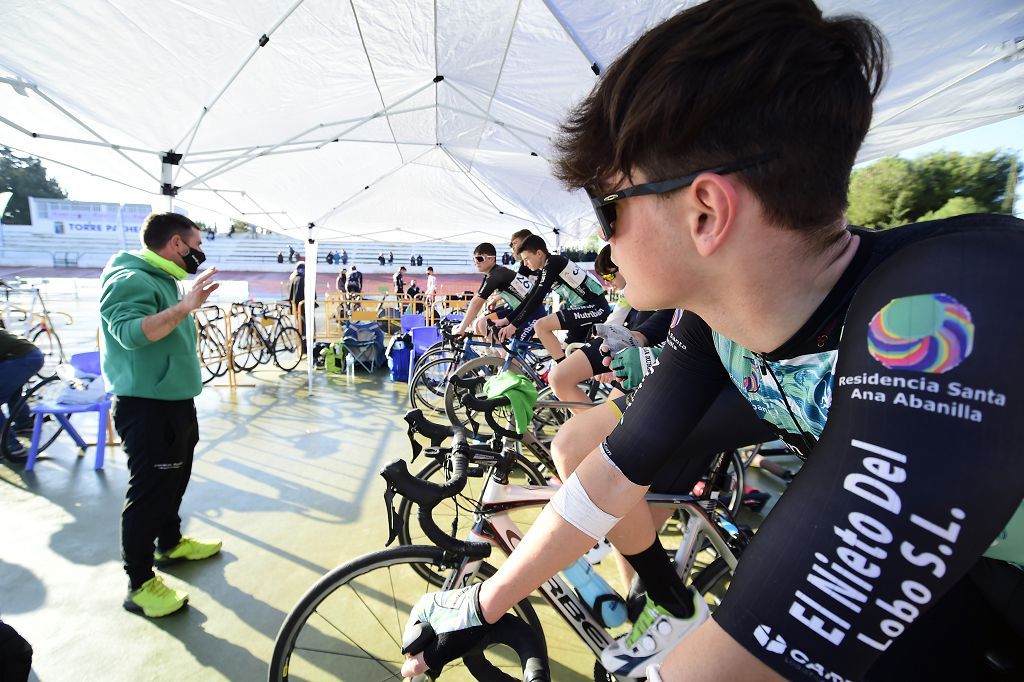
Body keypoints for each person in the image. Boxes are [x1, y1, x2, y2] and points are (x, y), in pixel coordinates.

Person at [400, 2, 1024, 681]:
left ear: (706, 212)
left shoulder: (950, 299)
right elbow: (611, 473)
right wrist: (482, 604)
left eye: (608, 208)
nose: (604, 241)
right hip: (957, 589)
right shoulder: (716, 323)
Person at [99, 212, 222, 619]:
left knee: (175, 477)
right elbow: (131, 333)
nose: (200, 253)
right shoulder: (129, 279)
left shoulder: (165, 279)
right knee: (150, 491)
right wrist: (184, 307)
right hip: (147, 406)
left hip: (175, 401)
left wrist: (185, 305)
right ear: (175, 244)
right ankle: (139, 583)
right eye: (197, 245)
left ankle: (169, 542)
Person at [548, 245, 672, 411]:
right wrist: (604, 351)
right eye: (603, 277)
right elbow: (615, 322)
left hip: (655, 359)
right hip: (640, 349)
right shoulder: (630, 292)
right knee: (558, 377)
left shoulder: (657, 287)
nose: (607, 282)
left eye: (609, 275)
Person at [496, 234, 609, 362]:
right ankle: (570, 374)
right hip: (584, 309)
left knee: (541, 326)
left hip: (595, 308)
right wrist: (507, 320)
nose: (525, 264)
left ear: (539, 253)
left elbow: (536, 299)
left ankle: (562, 371)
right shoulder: (546, 267)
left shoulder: (553, 263)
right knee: (568, 356)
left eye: (527, 259)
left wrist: (513, 326)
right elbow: (530, 297)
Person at [453, 243, 534, 340]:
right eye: (474, 259)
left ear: (492, 259)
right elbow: (476, 299)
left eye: (480, 259)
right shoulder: (493, 273)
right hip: (520, 310)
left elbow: (476, 304)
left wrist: (462, 328)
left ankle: (502, 355)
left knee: (510, 352)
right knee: (480, 324)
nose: (476, 262)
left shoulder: (496, 275)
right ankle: (494, 354)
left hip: (532, 313)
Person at [0, 330, 44, 459]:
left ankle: (10, 446)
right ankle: (24, 423)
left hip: (21, 358)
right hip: (29, 354)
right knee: (13, 392)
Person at [288, 262, 306, 347]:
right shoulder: (303, 279)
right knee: (305, 328)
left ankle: (300, 345)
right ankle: (304, 346)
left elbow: (290, 294)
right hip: (303, 307)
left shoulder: (293, 278)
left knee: (299, 326)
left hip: (296, 307)